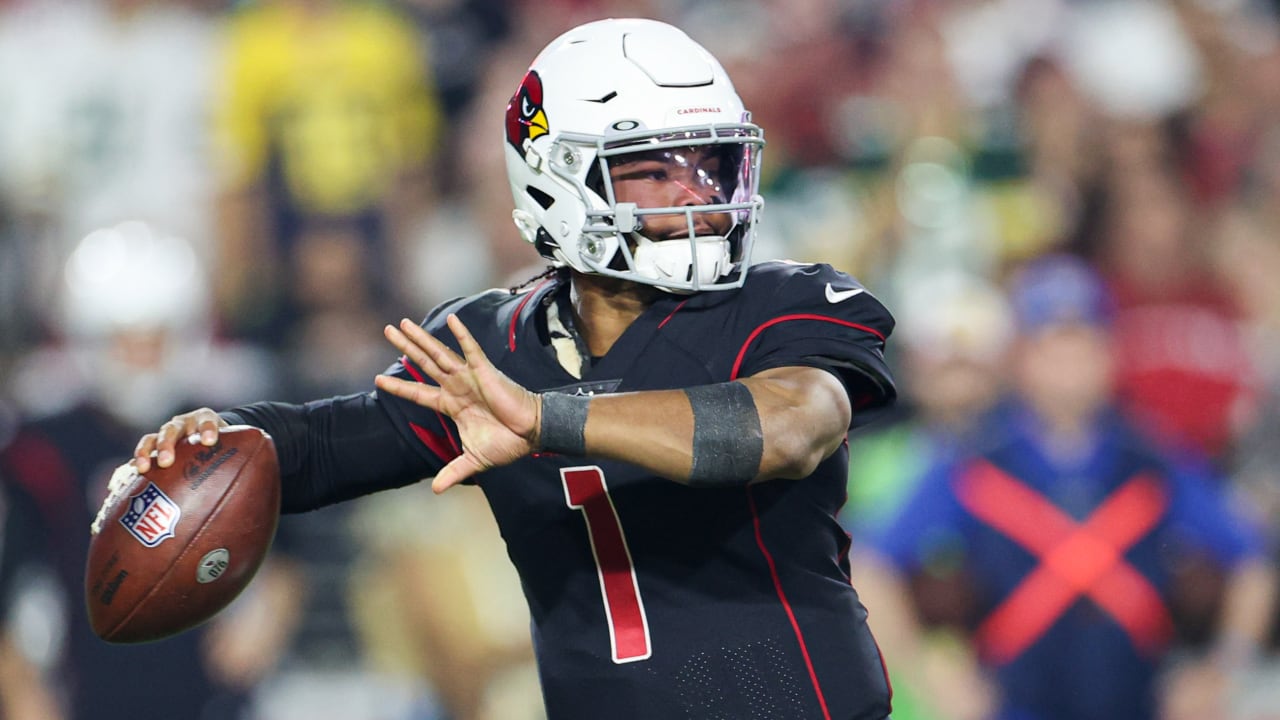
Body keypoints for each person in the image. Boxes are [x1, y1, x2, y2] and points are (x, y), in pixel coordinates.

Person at [129, 18, 898, 720]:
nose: (699, 194)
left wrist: (546, 418)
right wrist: (216, 440)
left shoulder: (782, 304)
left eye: (714, 164)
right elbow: (324, 448)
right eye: (654, 171)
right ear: (556, 180)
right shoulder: (495, 345)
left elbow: (788, 429)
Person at [855, 254, 1276, 720]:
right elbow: (872, 563)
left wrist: (1222, 671)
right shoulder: (973, 462)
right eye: (1051, 346)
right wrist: (928, 669)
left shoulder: (1153, 459)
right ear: (1021, 357)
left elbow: (1253, 559)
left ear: (1110, 352)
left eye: (1083, 343)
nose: (1068, 363)